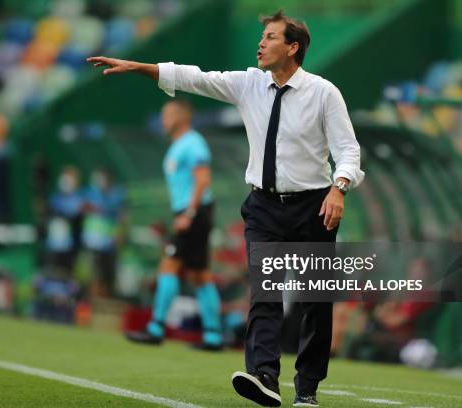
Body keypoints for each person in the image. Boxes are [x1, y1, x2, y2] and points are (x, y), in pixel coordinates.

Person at [88, 9, 365, 406]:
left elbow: (348, 150)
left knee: (313, 303)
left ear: (293, 47)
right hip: (263, 207)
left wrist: (339, 188)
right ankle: (265, 375)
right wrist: (138, 66)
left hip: (314, 206)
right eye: (262, 37)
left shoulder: (324, 92)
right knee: (264, 294)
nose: (261, 43)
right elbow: (194, 77)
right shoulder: (247, 84)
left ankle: (308, 388)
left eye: (270, 37)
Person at [125, 98, 224, 351]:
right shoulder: (179, 145)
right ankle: (213, 336)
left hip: (194, 212)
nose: (163, 120)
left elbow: (203, 180)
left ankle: (156, 328)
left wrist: (188, 214)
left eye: (167, 114)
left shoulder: (193, 143)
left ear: (181, 117)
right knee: (199, 274)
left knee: (168, 266)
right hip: (193, 212)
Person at [80, 168, 127, 297]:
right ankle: (94, 300)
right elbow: (82, 208)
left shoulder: (117, 194)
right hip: (92, 242)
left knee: (109, 275)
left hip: (110, 243)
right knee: (94, 274)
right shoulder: (89, 193)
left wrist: (120, 233)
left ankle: (106, 299)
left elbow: (122, 216)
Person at [46, 166, 83, 273]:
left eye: (70, 179)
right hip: (53, 246)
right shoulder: (55, 198)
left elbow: (74, 216)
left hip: (70, 249)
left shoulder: (79, 200)